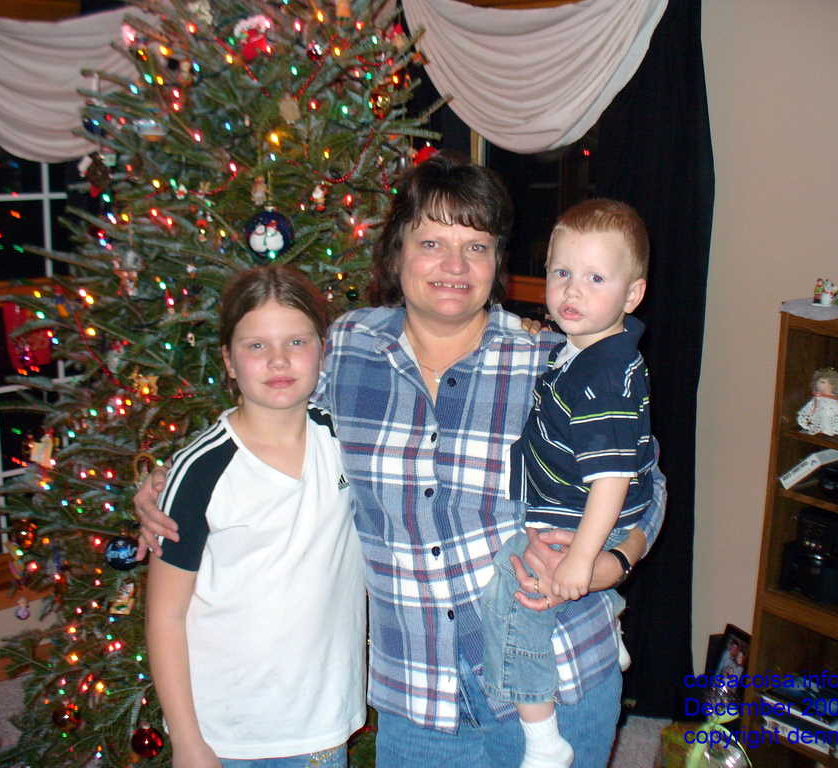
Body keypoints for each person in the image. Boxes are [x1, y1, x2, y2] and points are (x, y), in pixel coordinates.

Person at [137, 152, 667, 767]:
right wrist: (163, 481)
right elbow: (263, 416)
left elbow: (646, 486)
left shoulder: (552, 361)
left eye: (476, 246)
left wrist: (609, 564)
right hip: (420, 702)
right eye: (432, 242)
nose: (453, 266)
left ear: (498, 261)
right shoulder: (345, 354)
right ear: (397, 254)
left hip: (558, 677)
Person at [145, 265, 365, 767]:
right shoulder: (202, 469)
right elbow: (165, 614)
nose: (279, 361)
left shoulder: (347, 441)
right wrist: (186, 741)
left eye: (296, 341)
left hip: (323, 726)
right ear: (228, 360)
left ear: (321, 350)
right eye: (256, 346)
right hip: (228, 737)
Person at [479, 199, 653, 768]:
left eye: (595, 278)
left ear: (631, 295)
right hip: (584, 515)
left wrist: (583, 558)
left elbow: (611, 478)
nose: (572, 291)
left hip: (588, 520)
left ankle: (542, 735)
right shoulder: (589, 349)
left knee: (517, 586)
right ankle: (610, 621)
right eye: (562, 273)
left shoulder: (603, 376)